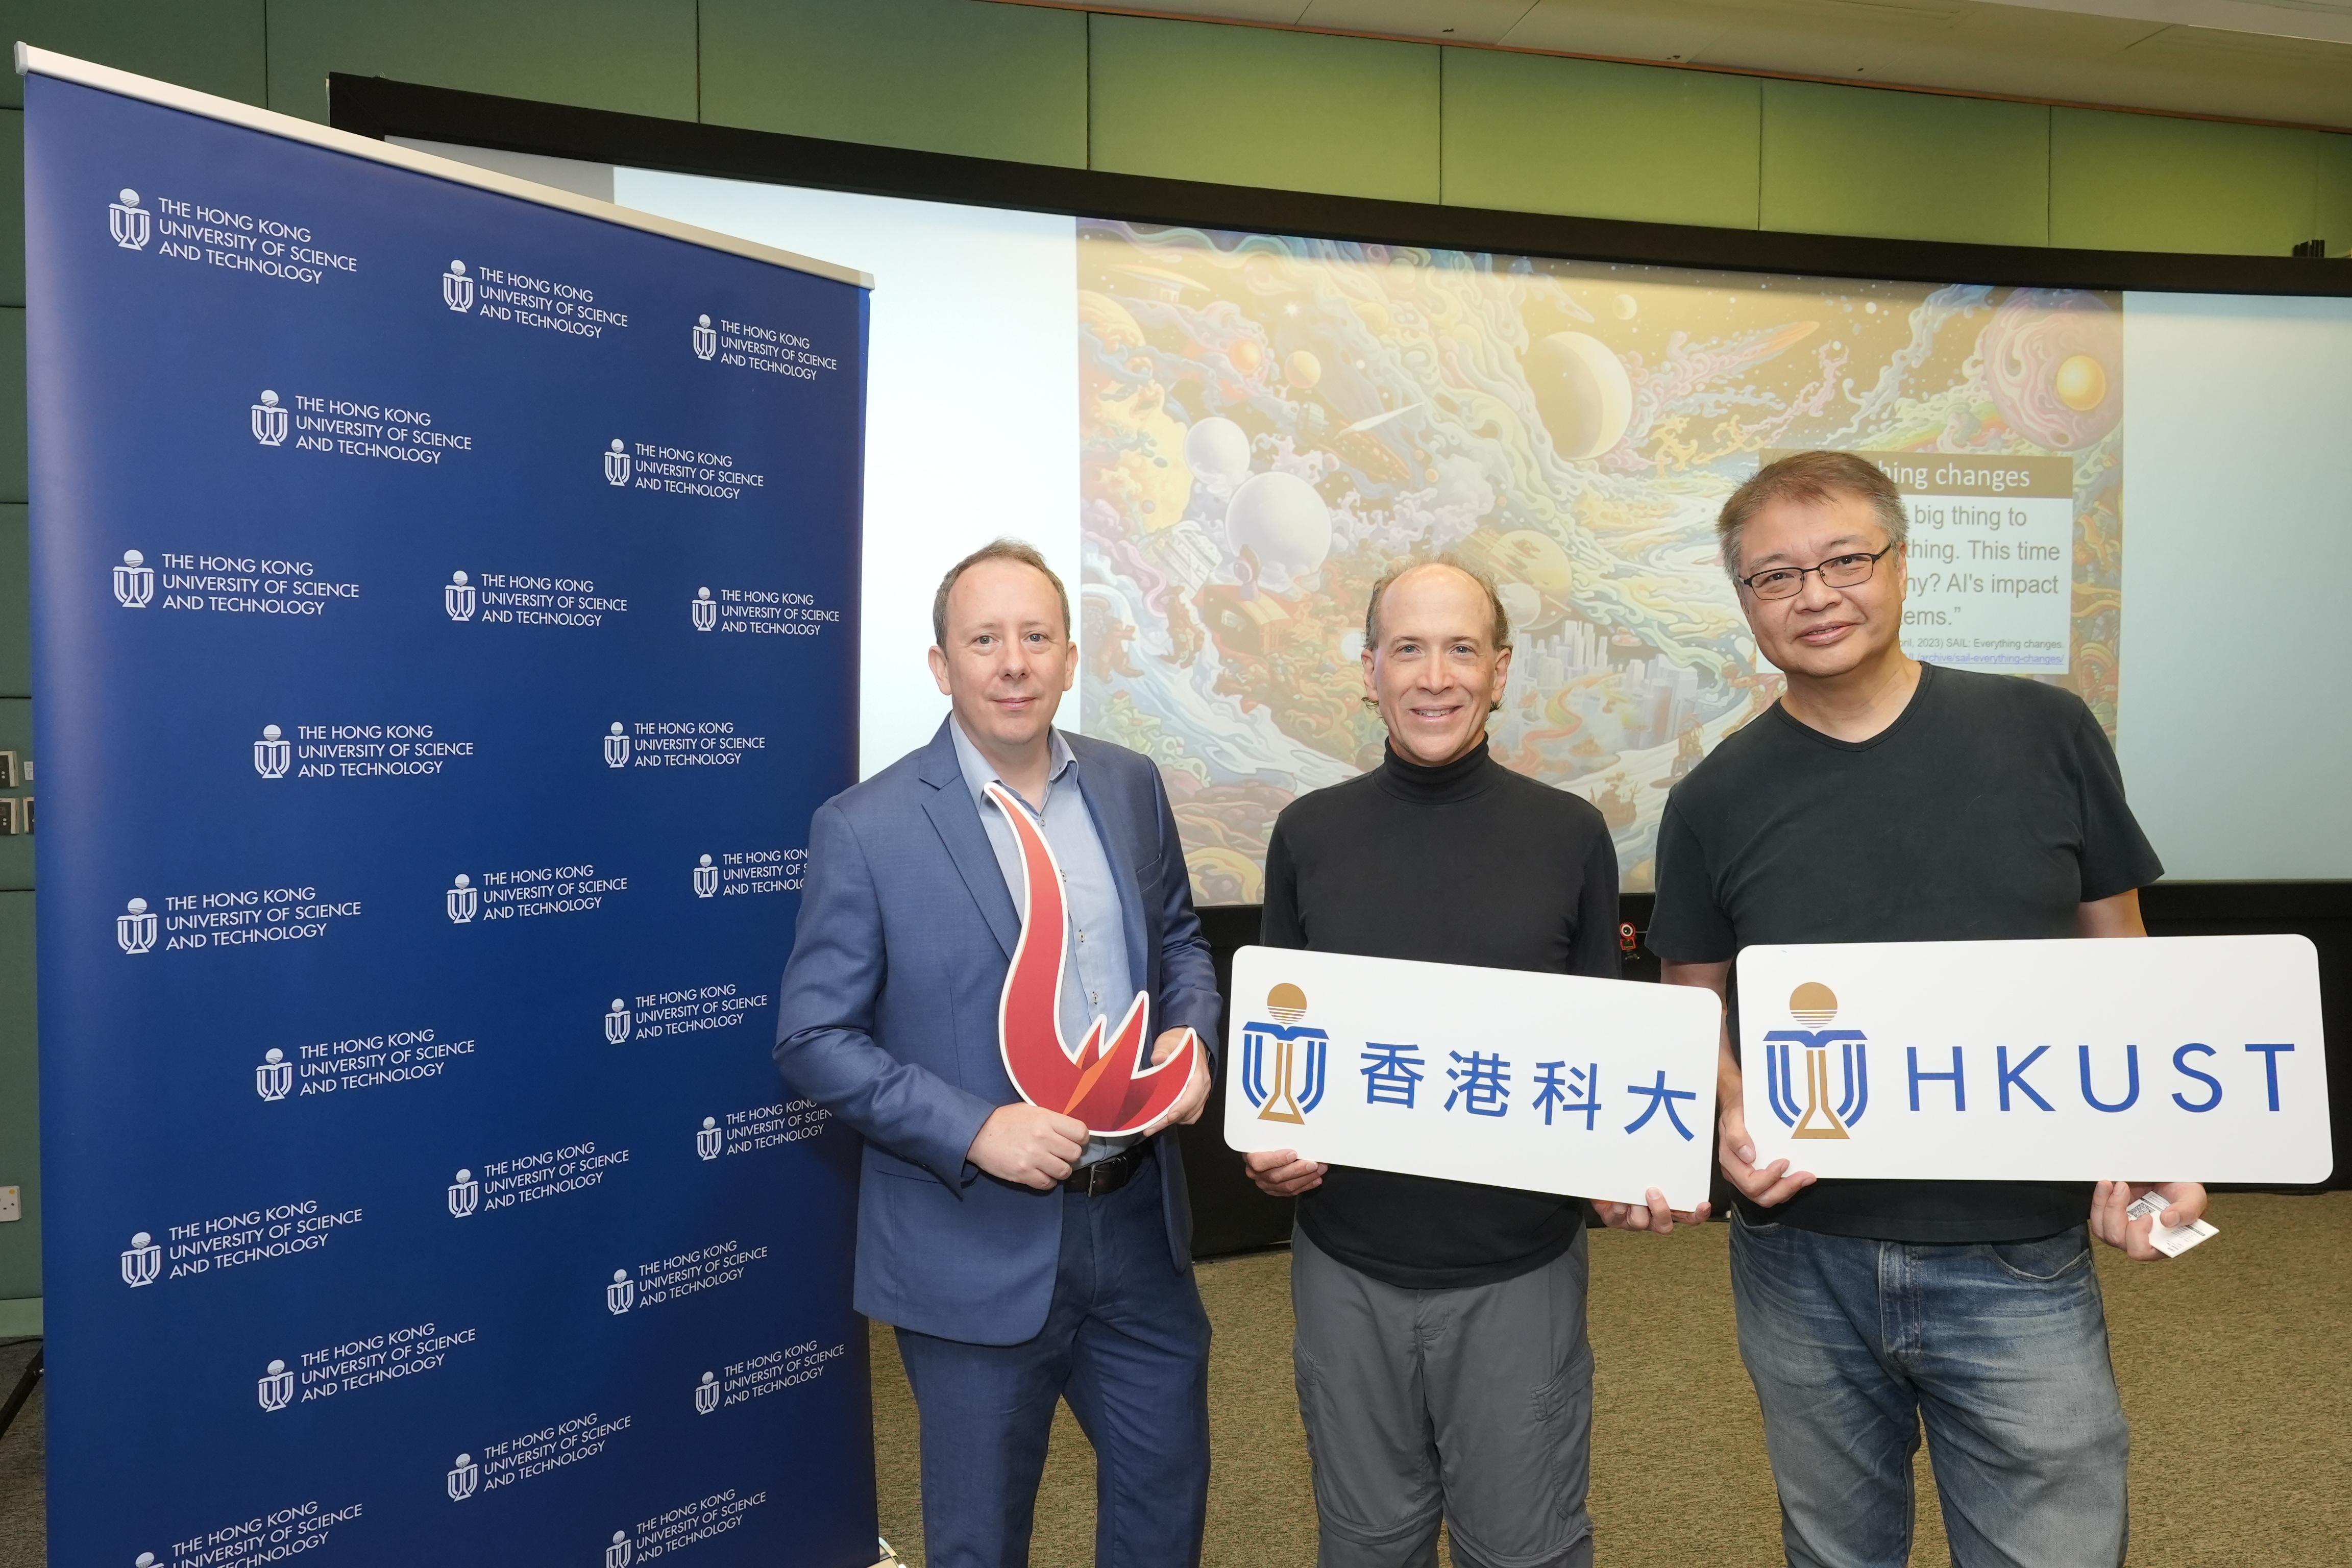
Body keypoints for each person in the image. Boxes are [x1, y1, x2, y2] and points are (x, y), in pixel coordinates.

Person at [1648, 450, 2201, 1568]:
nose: (1815, 596)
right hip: (1803, 1255)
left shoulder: (2045, 733)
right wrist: (1728, 1112)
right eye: (1774, 577)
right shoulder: (1712, 798)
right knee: (1835, 1549)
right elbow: (1691, 1005)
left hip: (2018, 1247)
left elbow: (2120, 953)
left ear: (1900, 564)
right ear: (1745, 600)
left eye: (1845, 559)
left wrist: (2162, 1132)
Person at [1244, 558, 1704, 1568]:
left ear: (1501, 671)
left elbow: (1598, 1041)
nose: (1434, 677)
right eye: (1408, 648)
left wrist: (1626, 1167)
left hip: (1519, 1270)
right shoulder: (1307, 834)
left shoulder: (1570, 836)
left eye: (1461, 649)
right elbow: (1279, 1047)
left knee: (1524, 1547)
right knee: (1367, 1544)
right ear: (1369, 670)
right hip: (1345, 1261)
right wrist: (1268, 1145)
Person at [773, 540, 1220, 1568]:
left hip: (1140, 1232)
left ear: (1069, 657)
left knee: (1165, 1520)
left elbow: (1182, 938)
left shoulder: (1130, 785)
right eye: (985, 640)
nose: (1013, 662)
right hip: (969, 1246)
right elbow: (812, 1038)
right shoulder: (866, 826)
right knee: (980, 1544)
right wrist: (976, 1129)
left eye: (1035, 637)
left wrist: (1189, 1038)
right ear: (942, 665)